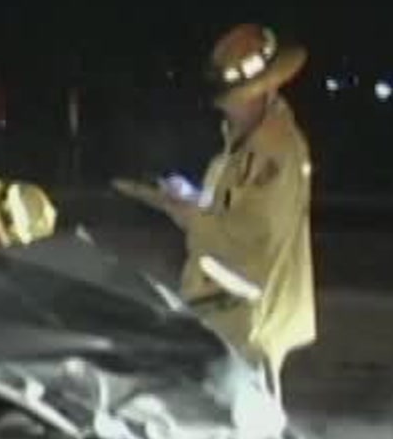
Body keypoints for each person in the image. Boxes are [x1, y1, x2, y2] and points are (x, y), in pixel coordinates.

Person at [114, 23, 316, 402]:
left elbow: (255, 237)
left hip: (250, 319)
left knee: (250, 421)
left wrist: (190, 215)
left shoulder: (274, 152)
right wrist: (184, 197)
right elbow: (225, 209)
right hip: (227, 312)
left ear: (261, 91)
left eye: (234, 97)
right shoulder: (244, 145)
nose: (227, 107)